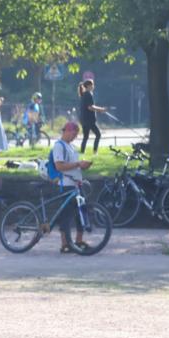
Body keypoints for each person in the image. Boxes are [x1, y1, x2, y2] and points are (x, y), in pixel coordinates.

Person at [51, 121, 93, 253]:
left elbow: (74, 164)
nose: (75, 137)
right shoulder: (59, 146)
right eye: (74, 134)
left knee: (82, 212)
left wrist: (82, 165)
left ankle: (78, 240)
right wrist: (78, 164)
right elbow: (59, 166)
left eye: (76, 135)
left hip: (76, 184)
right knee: (66, 214)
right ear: (67, 131)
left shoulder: (72, 147)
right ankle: (64, 243)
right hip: (66, 184)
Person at [78, 79, 107, 154]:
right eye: (92, 85)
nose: (93, 86)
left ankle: (82, 152)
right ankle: (95, 151)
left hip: (83, 119)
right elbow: (90, 107)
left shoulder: (84, 94)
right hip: (89, 119)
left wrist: (100, 110)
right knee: (98, 134)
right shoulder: (88, 94)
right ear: (88, 86)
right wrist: (101, 109)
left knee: (85, 137)